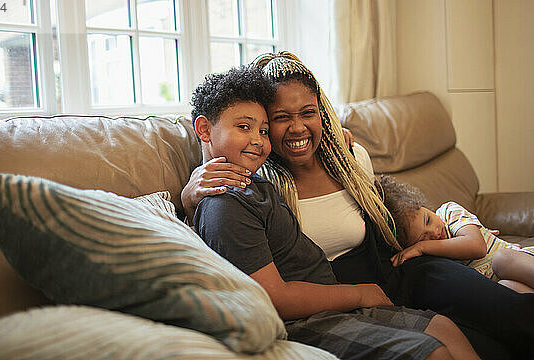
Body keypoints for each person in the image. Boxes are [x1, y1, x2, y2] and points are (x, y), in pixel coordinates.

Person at [181, 52, 534, 358]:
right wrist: (189, 196)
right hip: (346, 298)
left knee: (511, 313)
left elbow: (393, 215)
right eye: (280, 118)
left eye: (308, 113)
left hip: (403, 271)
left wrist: (464, 235)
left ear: (323, 114)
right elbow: (223, 220)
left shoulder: (350, 158)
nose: (297, 127)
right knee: (492, 348)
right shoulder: (261, 177)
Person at [380, 175, 534, 293]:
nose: (433, 232)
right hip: (503, 280)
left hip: (516, 261)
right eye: (423, 237)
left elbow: (477, 247)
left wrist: (423, 245)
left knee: (502, 259)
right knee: (507, 288)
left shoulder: (448, 212)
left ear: (422, 205)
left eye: (428, 220)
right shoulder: (430, 259)